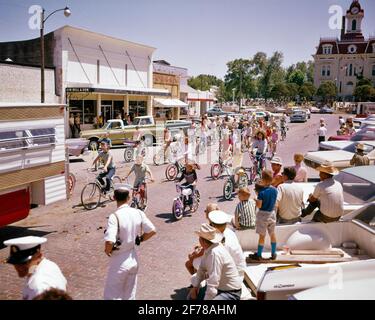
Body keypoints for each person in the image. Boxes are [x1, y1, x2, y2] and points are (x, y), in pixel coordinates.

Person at [104, 184, 156, 299]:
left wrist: (107, 251)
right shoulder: (138, 213)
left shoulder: (114, 217)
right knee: (130, 295)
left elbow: (109, 241)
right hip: (133, 258)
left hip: (119, 261)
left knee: (112, 295)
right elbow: (152, 230)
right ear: (129, 198)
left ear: (114, 197)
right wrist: (140, 239)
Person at [189, 223, 242, 300]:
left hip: (231, 293)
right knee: (191, 296)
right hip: (221, 289)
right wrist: (195, 287)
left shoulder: (214, 253)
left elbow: (213, 283)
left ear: (202, 241)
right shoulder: (209, 249)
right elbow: (201, 269)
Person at [3, 236, 67, 300]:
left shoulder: (40, 288)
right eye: (15, 262)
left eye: (24, 263)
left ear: (39, 256)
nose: (18, 267)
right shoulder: (48, 264)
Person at [248, 170, 278, 261]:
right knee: (272, 234)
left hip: (263, 215)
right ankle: (273, 253)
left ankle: (259, 254)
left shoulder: (261, 193)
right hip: (272, 214)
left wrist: (255, 199)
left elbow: (259, 205)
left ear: (263, 180)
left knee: (262, 236)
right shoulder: (275, 190)